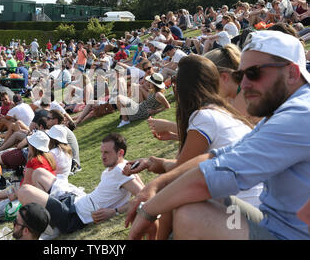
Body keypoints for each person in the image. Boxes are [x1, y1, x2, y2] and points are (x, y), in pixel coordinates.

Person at [127, 30, 310, 240]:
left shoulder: (300, 115)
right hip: (275, 223)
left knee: (191, 214)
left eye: (254, 73)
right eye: (241, 75)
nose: (245, 84)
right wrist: (156, 184)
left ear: (292, 73)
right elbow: (217, 156)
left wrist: (149, 210)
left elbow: (212, 175)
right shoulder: (284, 111)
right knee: (188, 201)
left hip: (291, 233)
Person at [124, 54, 260, 240]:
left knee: (179, 202)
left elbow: (180, 177)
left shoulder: (203, 117)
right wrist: (154, 162)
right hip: (253, 211)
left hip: (241, 218)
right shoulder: (227, 113)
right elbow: (192, 166)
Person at [15, 133, 144, 236]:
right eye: (102, 152)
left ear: (120, 153)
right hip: (76, 200)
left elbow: (144, 196)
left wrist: (114, 211)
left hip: (74, 216)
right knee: (39, 173)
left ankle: (46, 226)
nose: (102, 156)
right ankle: (48, 221)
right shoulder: (119, 167)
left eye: (107, 153)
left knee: (24, 190)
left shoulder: (120, 171)